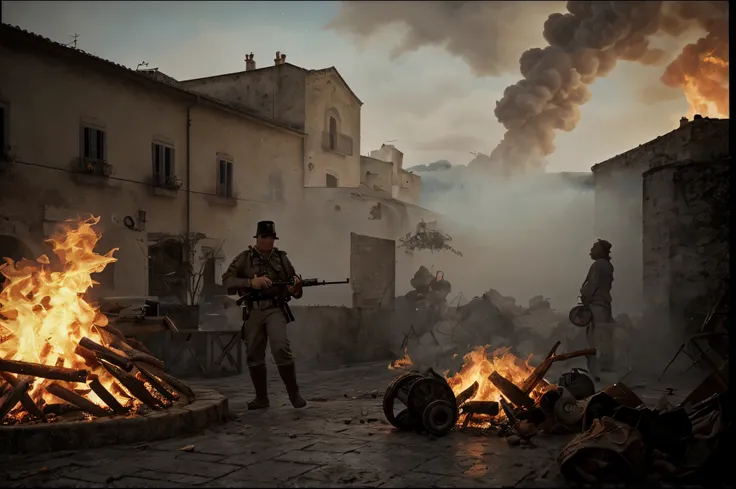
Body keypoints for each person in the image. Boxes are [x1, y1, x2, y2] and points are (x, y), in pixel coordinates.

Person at [221, 220, 306, 410]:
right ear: (257, 238)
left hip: (275, 309)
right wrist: (252, 282)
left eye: (271, 237)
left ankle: (294, 394)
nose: (268, 241)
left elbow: (294, 287)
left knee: (280, 348)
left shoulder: (281, 259)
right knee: (253, 353)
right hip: (253, 310)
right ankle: (261, 398)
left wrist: (296, 287)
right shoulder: (245, 258)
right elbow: (227, 281)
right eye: (264, 237)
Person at [580, 239, 615, 382]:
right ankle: (603, 370)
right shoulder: (607, 265)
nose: (591, 250)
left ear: (601, 251)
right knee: (603, 336)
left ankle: (601, 374)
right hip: (602, 306)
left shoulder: (599, 264)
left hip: (597, 306)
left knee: (598, 338)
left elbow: (592, 284)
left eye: (594, 247)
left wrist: (586, 296)